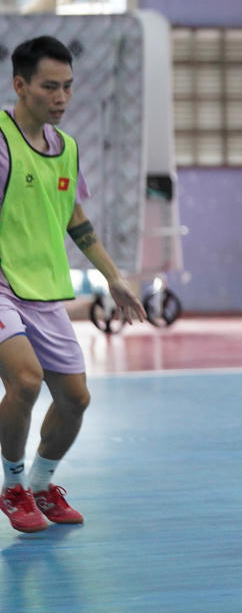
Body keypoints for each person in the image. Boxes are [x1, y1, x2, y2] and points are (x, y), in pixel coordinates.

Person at [0, 36, 146, 533]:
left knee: (75, 399)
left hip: (42, 290)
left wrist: (113, 276)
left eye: (67, 87)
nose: (60, 97)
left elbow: (75, 218)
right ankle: (13, 486)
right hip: (0, 286)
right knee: (25, 380)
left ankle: (42, 484)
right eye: (49, 87)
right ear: (20, 85)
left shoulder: (67, 150)